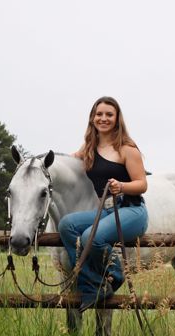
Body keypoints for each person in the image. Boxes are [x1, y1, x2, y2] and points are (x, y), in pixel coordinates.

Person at [58, 96, 149, 313]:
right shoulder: (90, 147)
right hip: (107, 210)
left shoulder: (127, 148)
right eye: (99, 114)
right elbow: (70, 161)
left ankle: (116, 274)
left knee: (90, 237)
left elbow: (142, 184)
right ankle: (92, 282)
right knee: (66, 225)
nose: (103, 118)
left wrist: (122, 186)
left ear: (117, 119)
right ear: (92, 118)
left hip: (132, 210)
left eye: (109, 114)